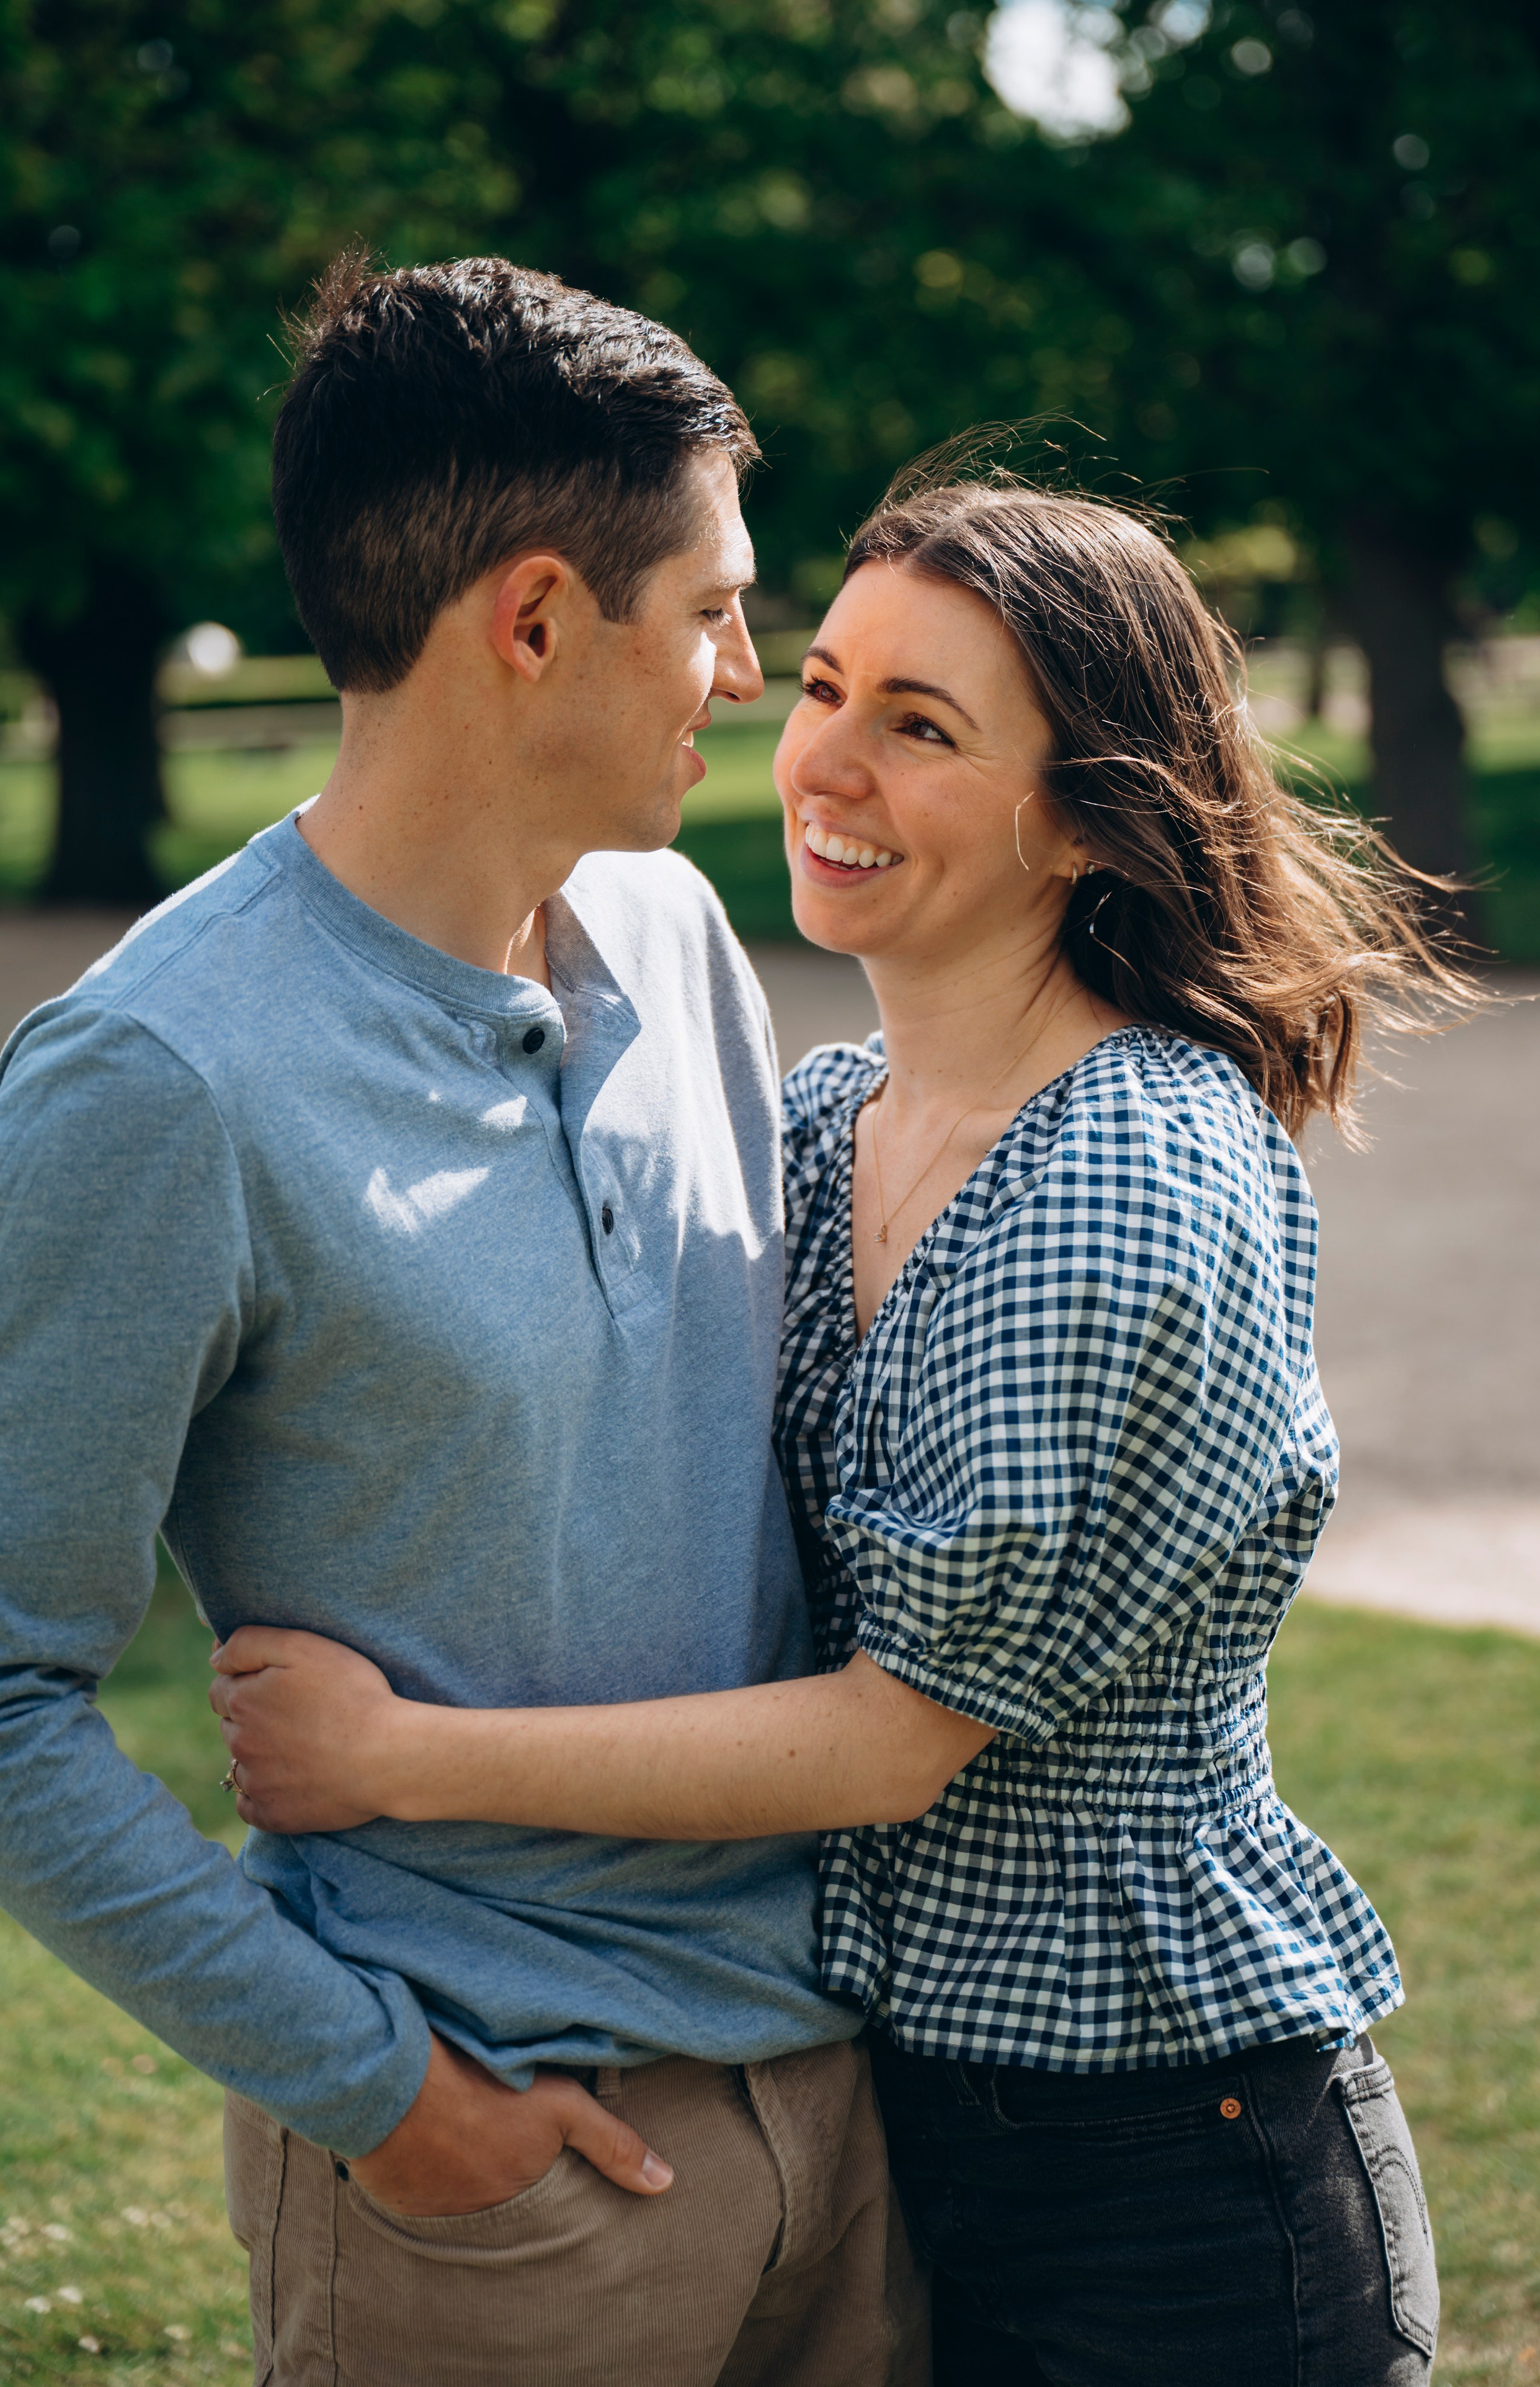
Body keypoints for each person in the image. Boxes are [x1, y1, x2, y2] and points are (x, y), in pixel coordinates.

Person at [212, 464, 1471, 2385]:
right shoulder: (829, 1121)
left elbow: (893, 1742)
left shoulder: (1118, 1176)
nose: (827, 764)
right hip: (917, 2117)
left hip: (1171, 2165)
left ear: (1087, 818)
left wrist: (396, 1757)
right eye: (822, 689)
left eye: (923, 727)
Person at [0, 256, 930, 2387]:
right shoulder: (159, 1078)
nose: (748, 673)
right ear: (532, 621)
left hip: (846, 2115)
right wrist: (380, 2093)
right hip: (500, 2183)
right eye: (711, 612)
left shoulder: (676, 929)